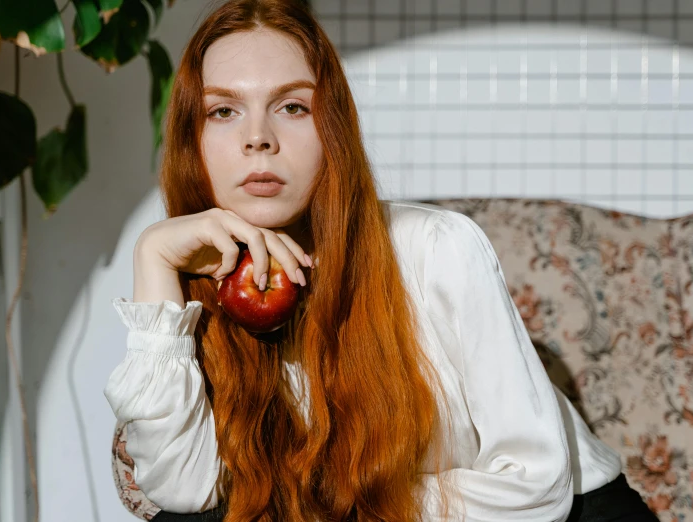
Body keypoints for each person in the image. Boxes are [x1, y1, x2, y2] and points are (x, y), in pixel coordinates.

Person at [103, 1, 659, 521]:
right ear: (190, 140)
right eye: (223, 111)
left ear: (332, 130)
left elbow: (536, 485)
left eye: (292, 106)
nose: (258, 138)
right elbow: (182, 490)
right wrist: (152, 256)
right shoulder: (203, 268)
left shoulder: (439, 247)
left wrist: (331, 505)